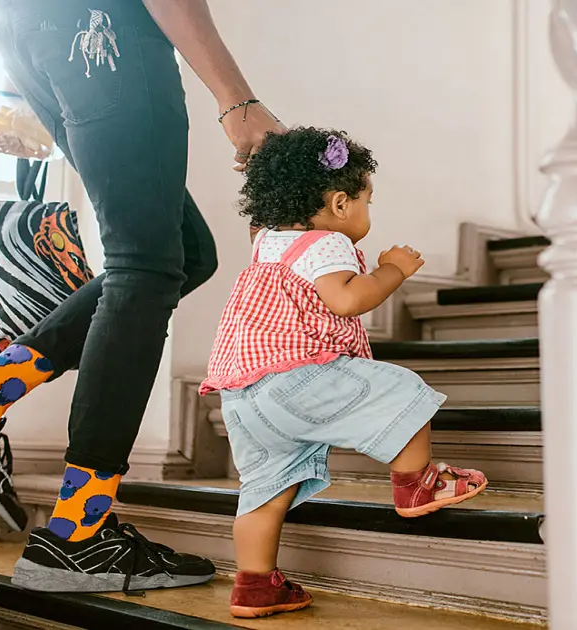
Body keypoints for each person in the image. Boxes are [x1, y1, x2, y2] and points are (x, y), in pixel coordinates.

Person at [0, 0, 282, 592]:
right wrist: (237, 100)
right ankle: (78, 532)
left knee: (185, 254)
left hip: (39, 34)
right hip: (104, 30)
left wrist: (25, 72)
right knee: (144, 267)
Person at [203, 127, 489, 619]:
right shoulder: (326, 243)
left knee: (266, 487)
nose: (367, 212)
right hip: (296, 377)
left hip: (243, 393)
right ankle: (416, 482)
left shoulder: (265, 241)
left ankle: (254, 584)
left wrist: (265, 164)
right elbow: (349, 299)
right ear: (339, 204)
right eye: (366, 200)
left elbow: (269, 216)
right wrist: (394, 270)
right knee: (402, 390)